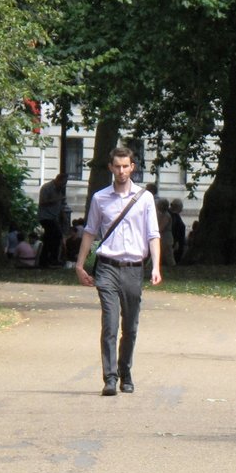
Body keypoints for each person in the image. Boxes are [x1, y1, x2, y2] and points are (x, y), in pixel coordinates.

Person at [74, 144, 164, 396]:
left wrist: (156, 266)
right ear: (110, 168)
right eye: (117, 166)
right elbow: (90, 232)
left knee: (131, 327)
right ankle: (110, 378)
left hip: (134, 269)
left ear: (132, 168)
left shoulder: (144, 198)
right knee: (110, 324)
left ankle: (125, 372)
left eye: (126, 166)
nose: (122, 171)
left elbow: (153, 235)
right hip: (107, 269)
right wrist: (80, 265)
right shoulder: (100, 198)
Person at [37, 172, 67, 267]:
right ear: (58, 180)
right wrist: (55, 200)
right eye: (62, 183)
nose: (63, 185)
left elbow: (60, 205)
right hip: (46, 217)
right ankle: (51, 259)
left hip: (53, 217)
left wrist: (63, 215)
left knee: (51, 238)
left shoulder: (60, 190)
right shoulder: (47, 188)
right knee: (55, 236)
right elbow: (42, 202)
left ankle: (47, 259)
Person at [169, 199, 187, 266]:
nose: (181, 210)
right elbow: (174, 228)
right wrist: (176, 241)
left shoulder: (174, 215)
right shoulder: (172, 215)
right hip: (175, 239)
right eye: (181, 208)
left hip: (177, 239)